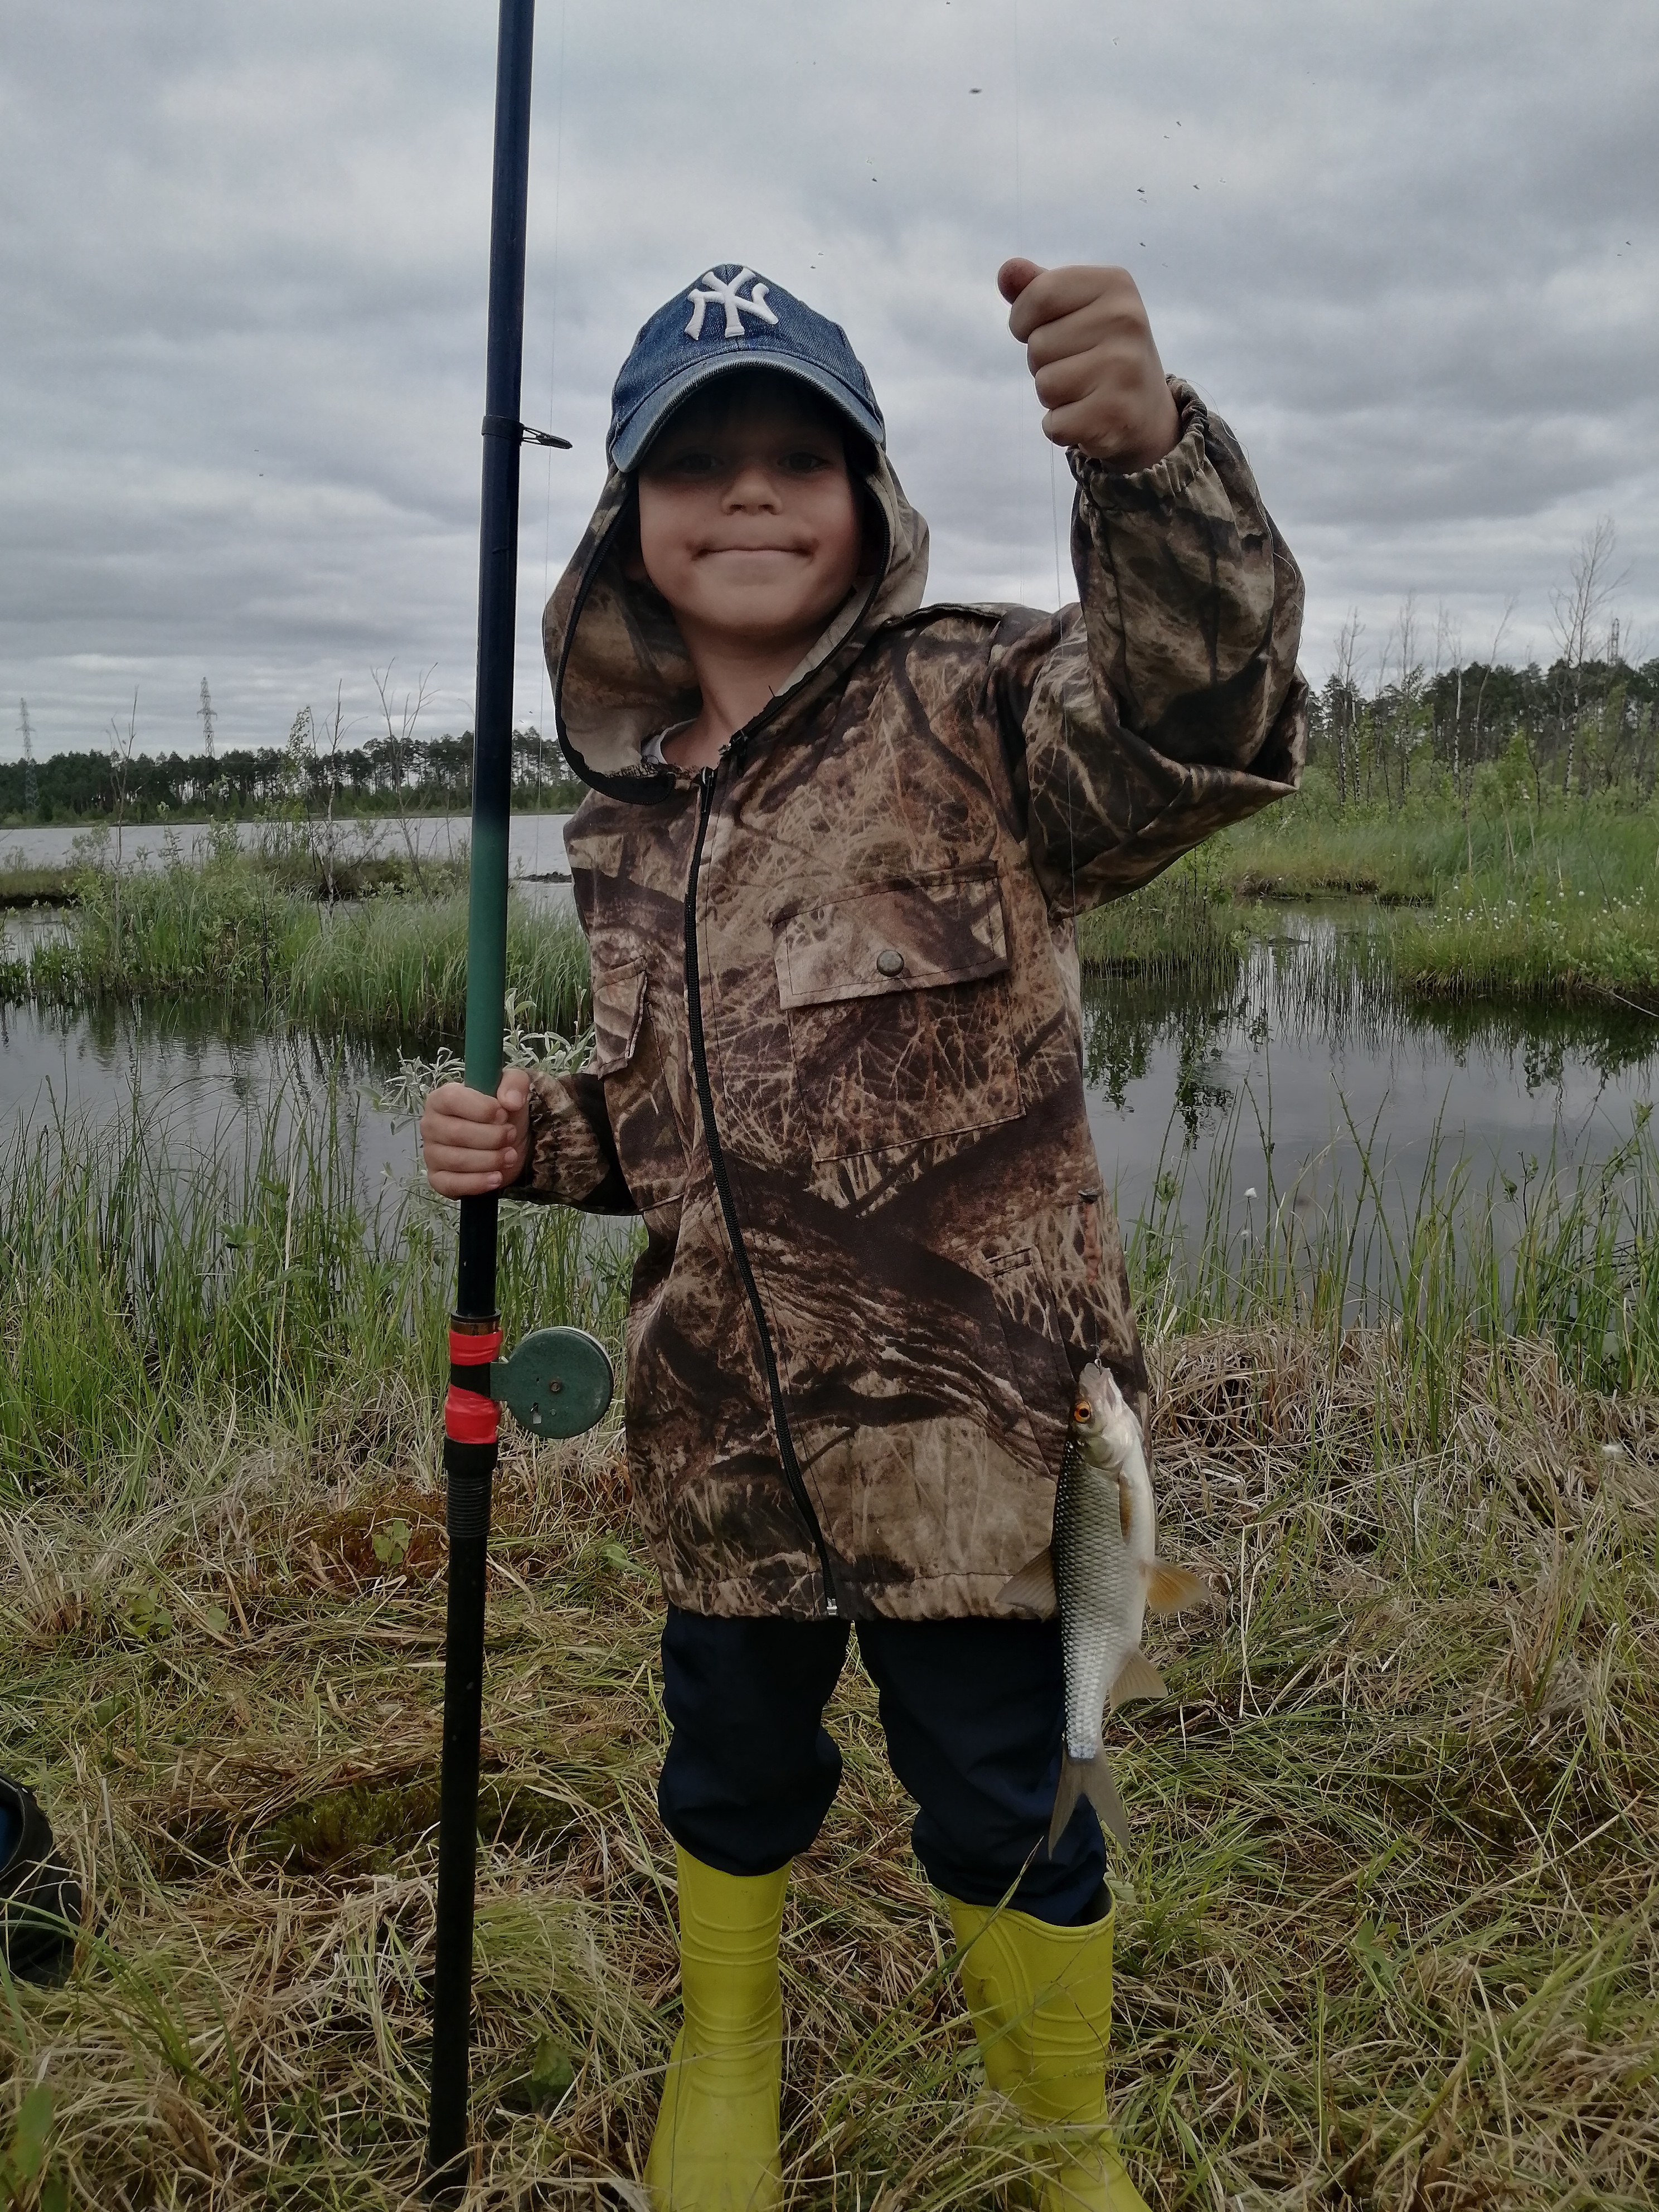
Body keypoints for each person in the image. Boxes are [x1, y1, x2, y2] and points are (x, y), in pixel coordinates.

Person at [421, 258, 1306, 2210]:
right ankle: (727, 2048)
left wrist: (1150, 463)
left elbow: (1204, 713)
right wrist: (533, 1135)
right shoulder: (622, 826)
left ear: (871, 495)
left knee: (1009, 1800)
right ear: (626, 524)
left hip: (983, 1456)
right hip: (724, 1443)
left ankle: (1065, 2140)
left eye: (796, 455)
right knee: (728, 1773)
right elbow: (675, 1119)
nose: (749, 491)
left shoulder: (979, 705)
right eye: (696, 461)